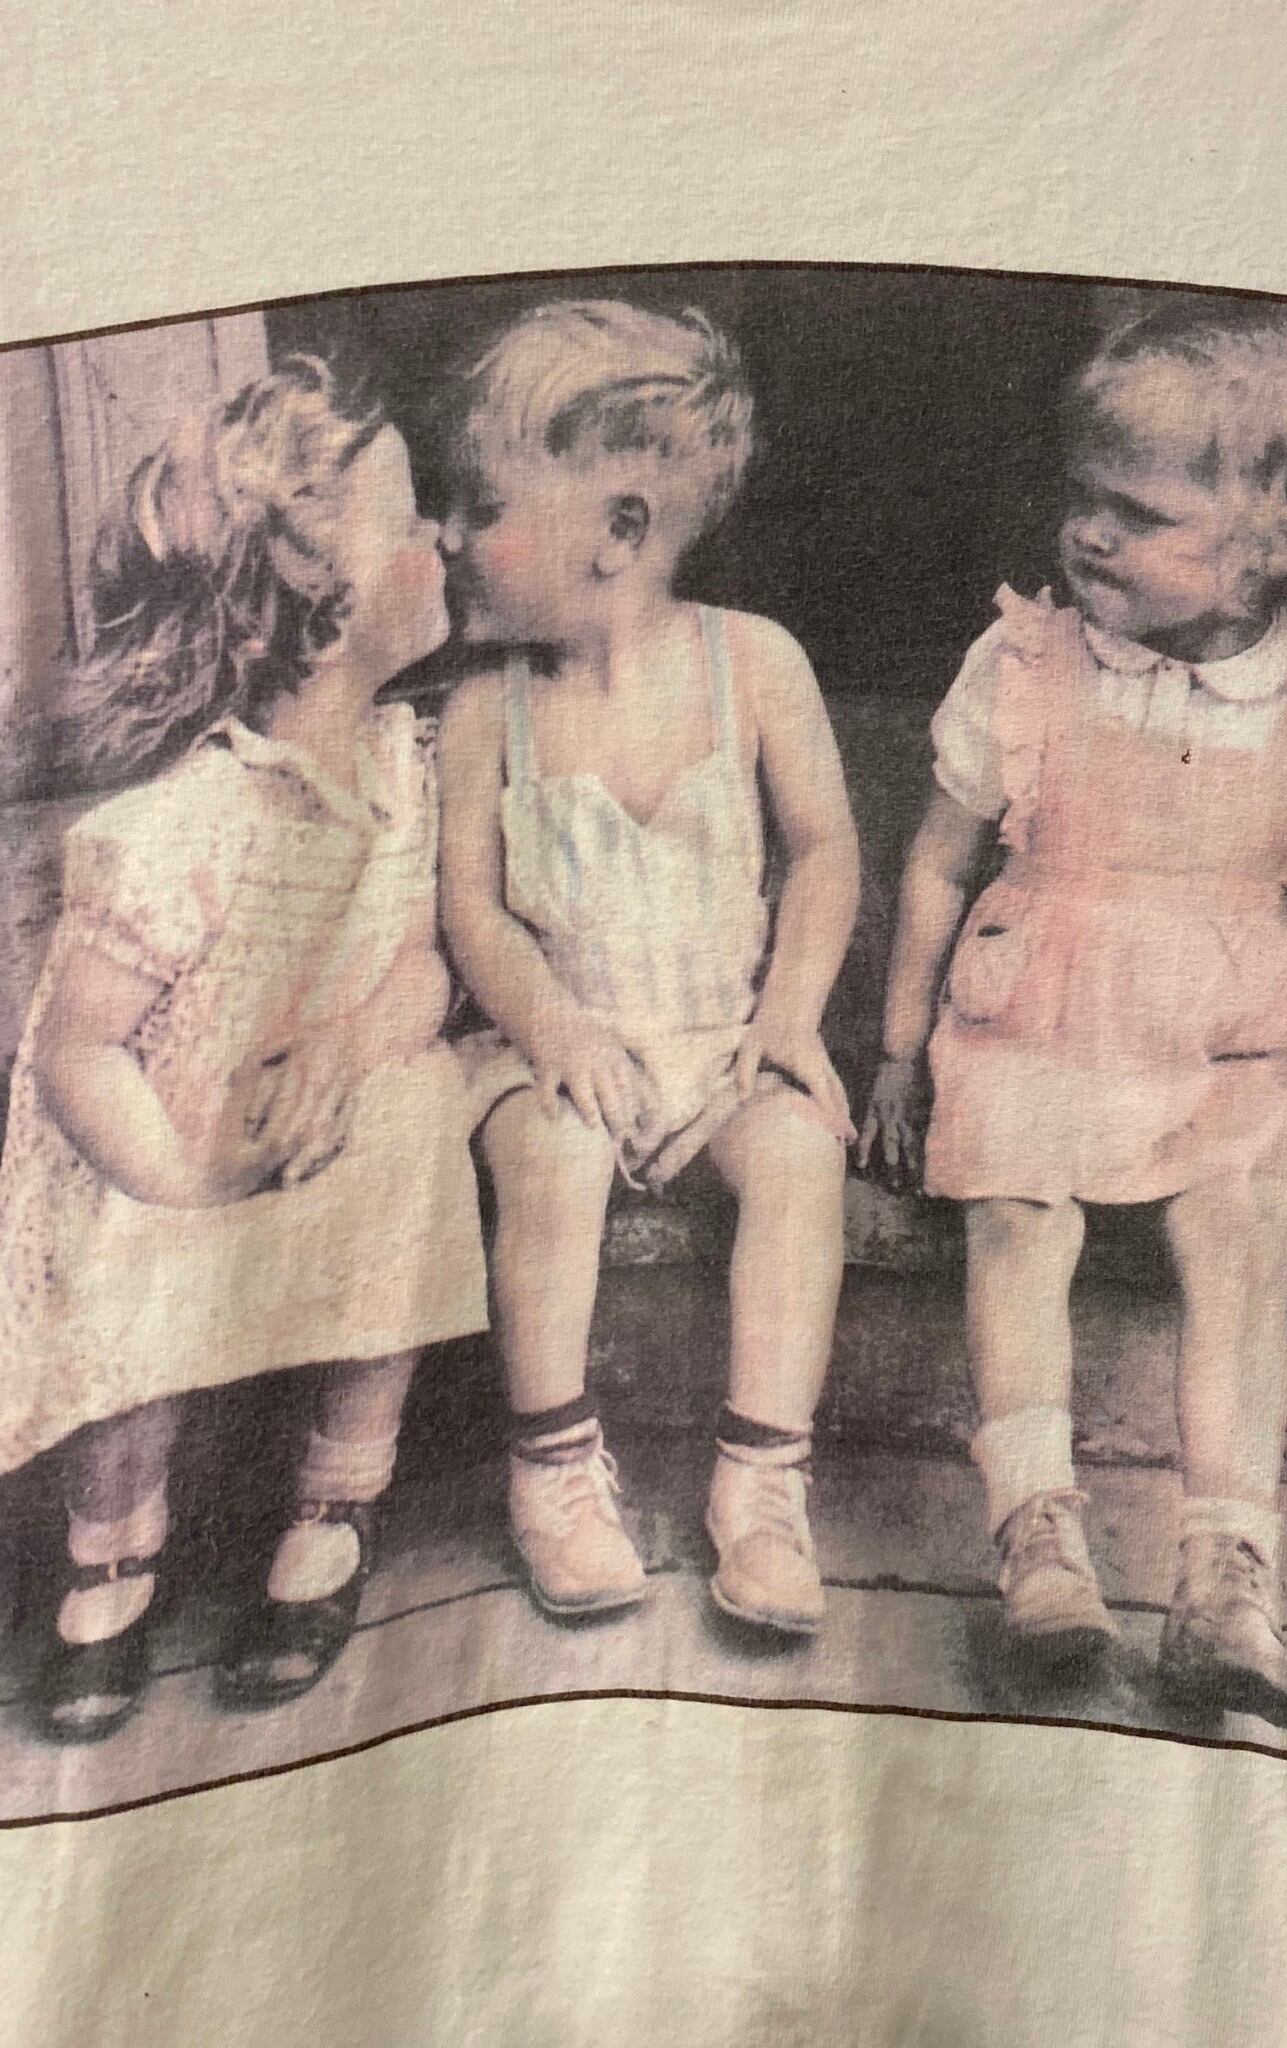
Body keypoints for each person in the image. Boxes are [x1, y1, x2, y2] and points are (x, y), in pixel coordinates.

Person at [861, 306, 1287, 1728]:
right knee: (1015, 1216)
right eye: (1084, 497)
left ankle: (1228, 1573)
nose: (1091, 534)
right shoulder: (1027, 665)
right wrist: (895, 1052)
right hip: (1036, 1029)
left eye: (1140, 513)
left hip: (1219, 1060)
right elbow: (938, 861)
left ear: (1273, 545)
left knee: (1241, 1232)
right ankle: (1039, 1538)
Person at [0, 358, 487, 1739]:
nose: (444, 536)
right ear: (319, 597)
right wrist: (181, 1179)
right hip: (161, 1133)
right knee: (129, 1252)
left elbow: (425, 964)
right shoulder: (192, 818)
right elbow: (80, 1053)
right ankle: (113, 1553)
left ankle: (334, 1503)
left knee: (415, 1121)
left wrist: (348, 1048)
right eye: (408, 518)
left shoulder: (407, 764)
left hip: (310, 1115)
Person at [437, 300, 861, 1636]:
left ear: (619, 529)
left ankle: (763, 1484)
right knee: (553, 1156)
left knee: (800, 1157)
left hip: (718, 1039)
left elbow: (825, 848)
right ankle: (554, 1467)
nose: (447, 535)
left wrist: (790, 1011)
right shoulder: (485, 708)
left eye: (482, 506)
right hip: (552, 1049)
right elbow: (473, 910)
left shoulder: (754, 665)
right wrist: (552, 1027)